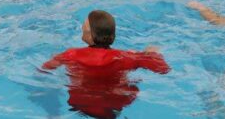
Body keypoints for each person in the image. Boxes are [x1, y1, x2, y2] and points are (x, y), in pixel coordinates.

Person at [42, 10, 170, 119]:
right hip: (113, 108)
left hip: (80, 105)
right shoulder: (126, 57)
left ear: (89, 34)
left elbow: (45, 69)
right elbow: (163, 69)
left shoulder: (70, 54)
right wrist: (152, 53)